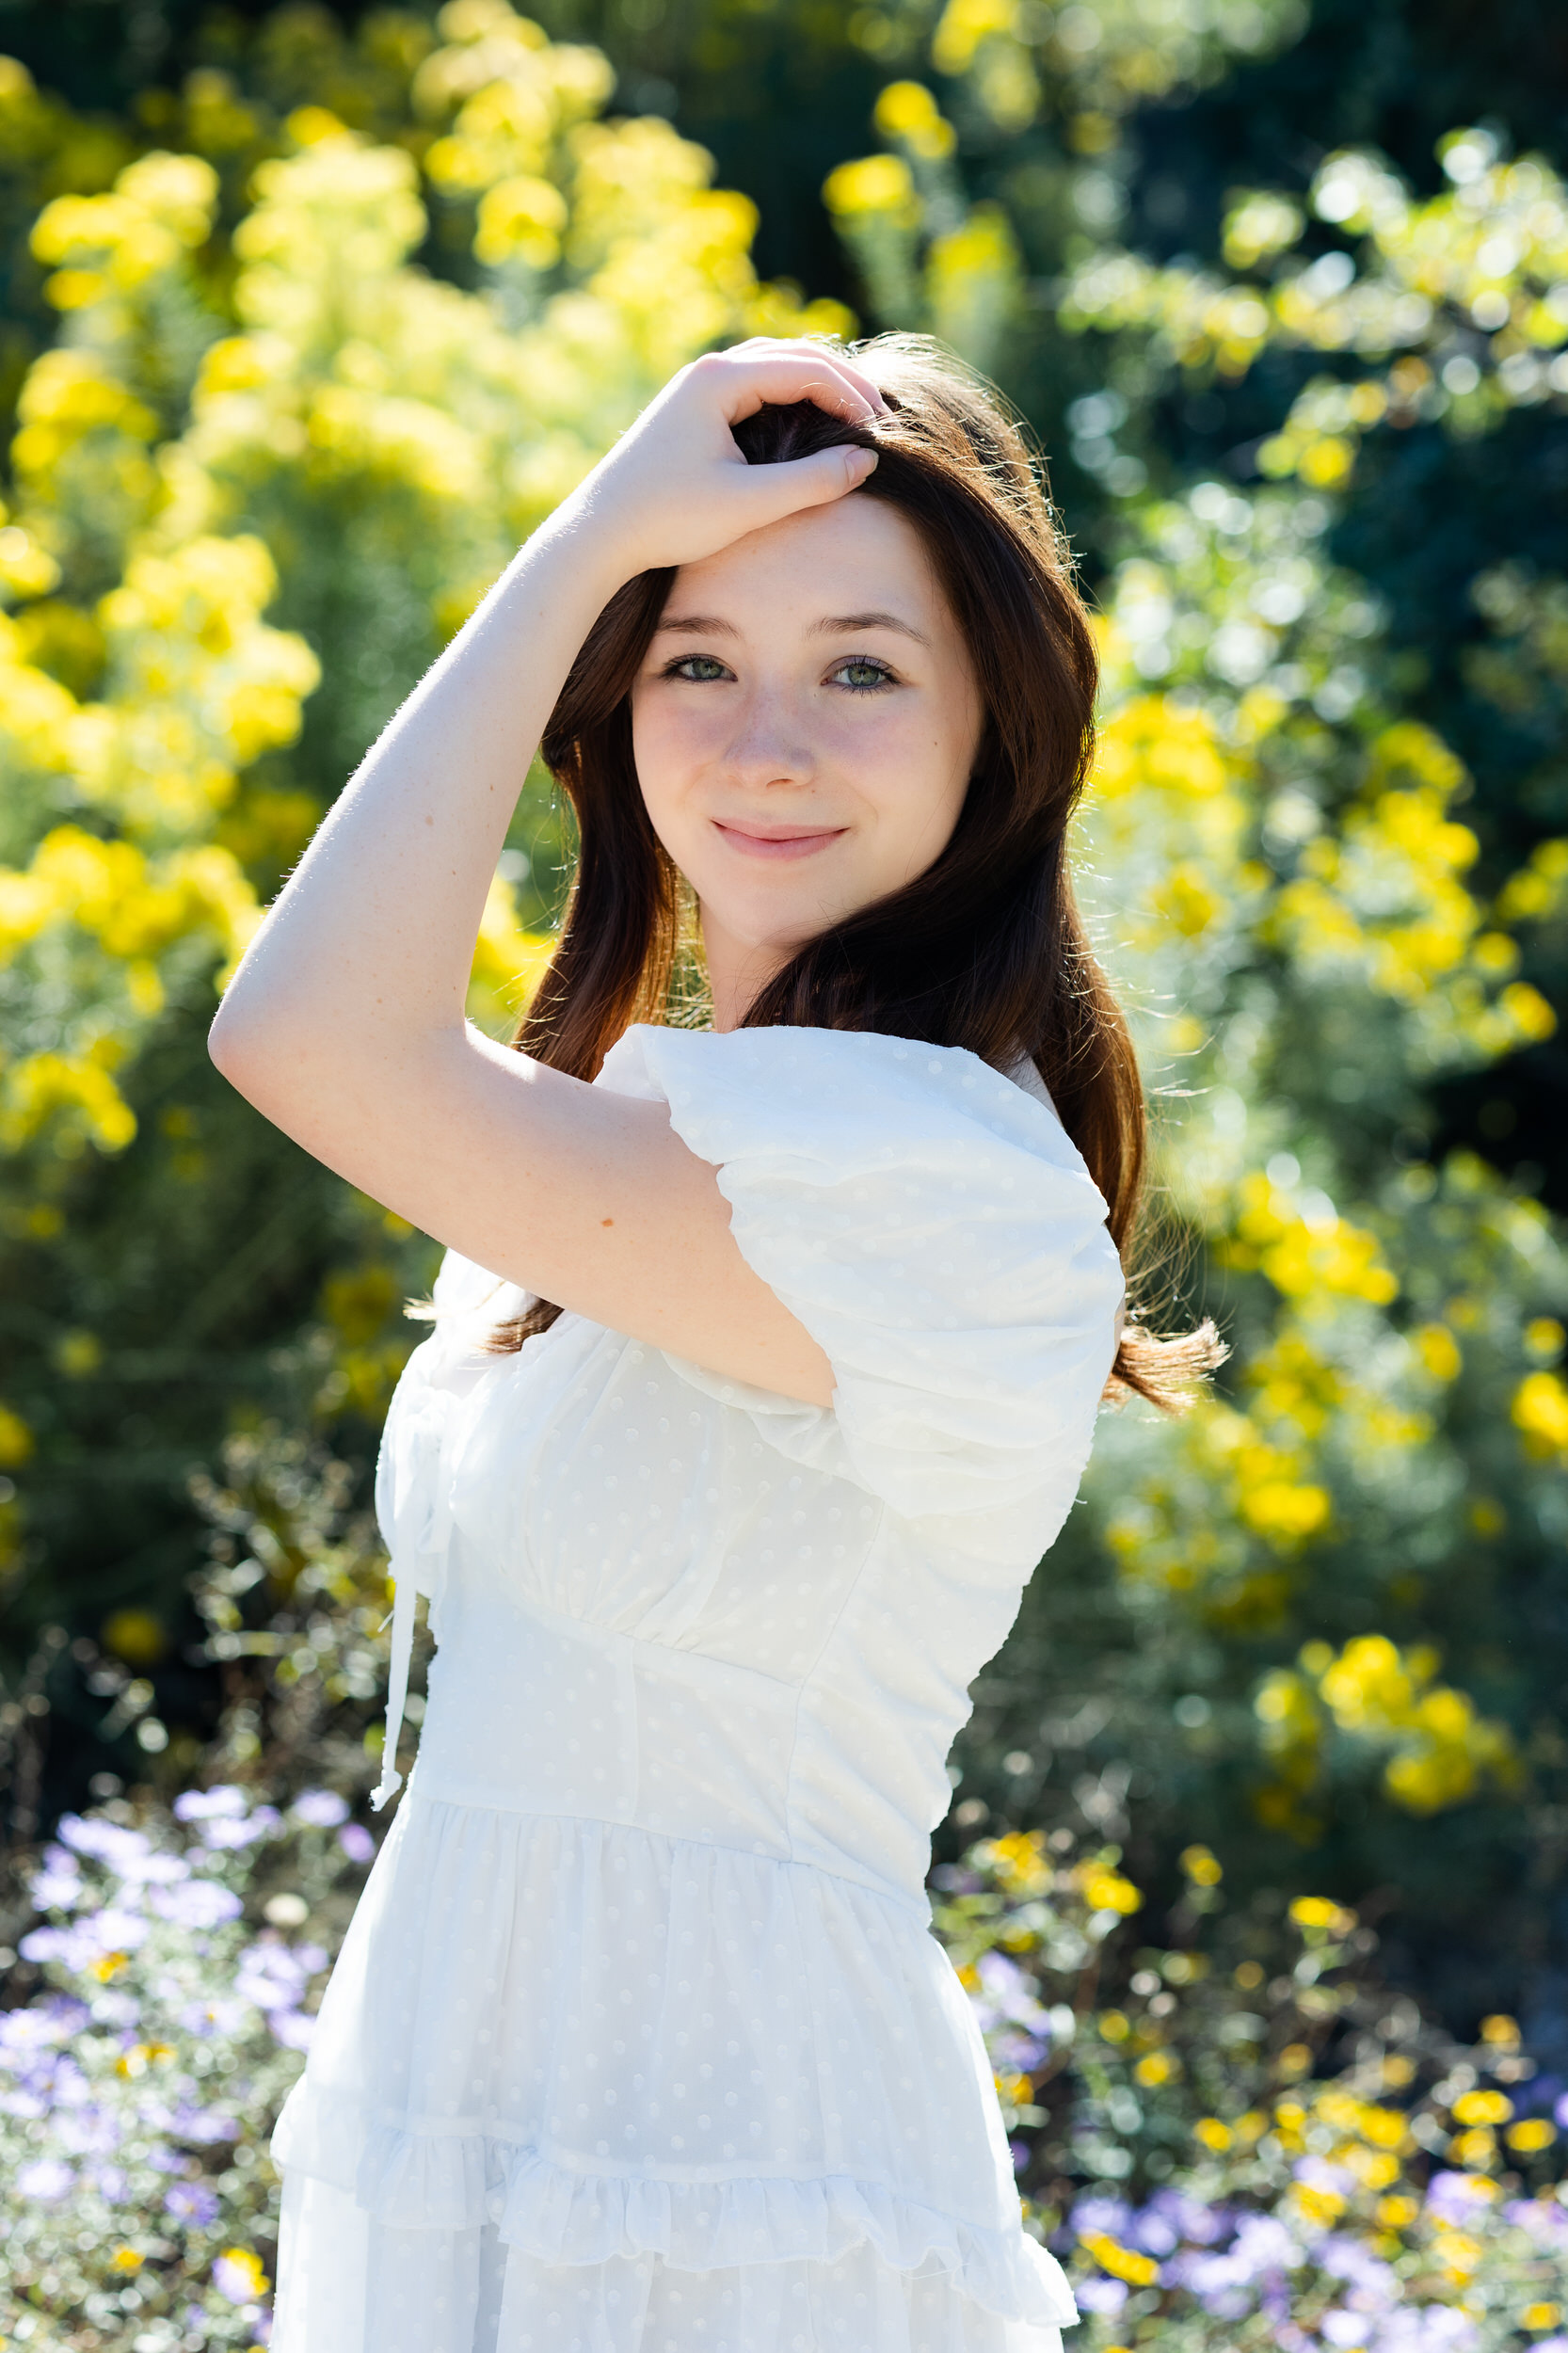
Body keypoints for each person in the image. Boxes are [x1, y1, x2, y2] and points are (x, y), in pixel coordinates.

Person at [210, 331, 1218, 2353]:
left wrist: (600, 538)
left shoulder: (930, 1182)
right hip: (487, 2117)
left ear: (988, 730)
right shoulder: (691, 1127)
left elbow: (300, 1032)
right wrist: (601, 561)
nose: (765, 741)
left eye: (860, 666)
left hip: (725, 2187)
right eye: (693, 658)